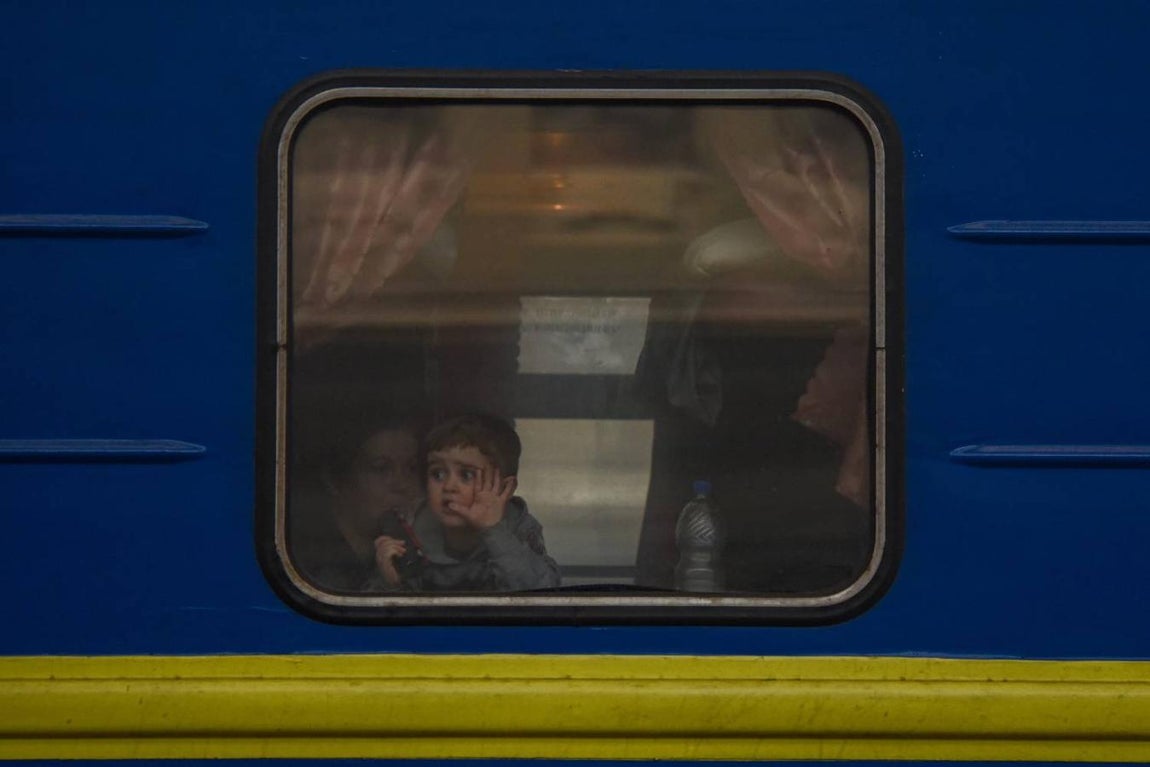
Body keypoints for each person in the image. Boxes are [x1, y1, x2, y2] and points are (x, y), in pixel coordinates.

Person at [374, 413, 561, 592]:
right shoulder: (410, 531)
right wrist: (392, 585)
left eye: (466, 475)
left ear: (504, 489)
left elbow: (542, 592)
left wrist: (494, 531)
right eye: (438, 474)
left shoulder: (519, 530)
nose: (449, 486)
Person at [289, 412, 424, 592]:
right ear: (335, 480)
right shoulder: (308, 567)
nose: (402, 484)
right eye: (381, 469)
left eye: (412, 468)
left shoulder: (418, 553)